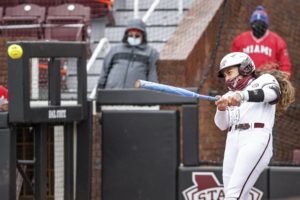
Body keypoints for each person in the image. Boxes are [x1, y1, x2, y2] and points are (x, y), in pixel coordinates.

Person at [214, 52, 295, 199]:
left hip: (255, 137)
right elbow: (222, 125)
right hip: (233, 139)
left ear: (245, 68)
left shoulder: (264, 80)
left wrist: (242, 96)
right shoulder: (229, 95)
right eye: (225, 75)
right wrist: (221, 109)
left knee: (233, 195)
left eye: (229, 72)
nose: (227, 78)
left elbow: (273, 94)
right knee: (233, 194)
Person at [97, 18, 159, 89]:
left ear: (143, 36)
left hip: (137, 97)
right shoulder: (114, 50)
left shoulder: (151, 53)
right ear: (126, 35)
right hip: (111, 95)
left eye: (137, 36)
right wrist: (99, 91)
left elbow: (153, 77)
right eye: (130, 35)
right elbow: (104, 73)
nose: (134, 37)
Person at [231, 5, 292, 77]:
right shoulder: (240, 40)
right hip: (245, 80)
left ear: (266, 25)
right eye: (255, 24)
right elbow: (233, 62)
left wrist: (281, 81)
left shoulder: (277, 41)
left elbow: (285, 66)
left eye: (261, 24)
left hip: (268, 80)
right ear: (251, 25)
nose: (258, 27)